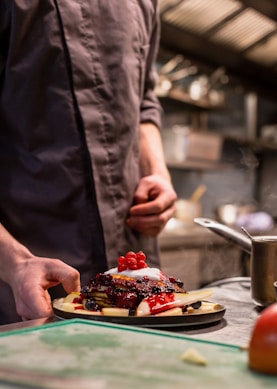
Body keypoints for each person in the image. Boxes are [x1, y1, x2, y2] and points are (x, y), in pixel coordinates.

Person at [0, 1, 177, 324]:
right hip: (24, 284)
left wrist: (158, 173)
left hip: (135, 281)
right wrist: (16, 263)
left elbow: (144, 104)